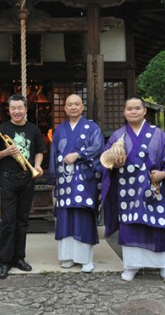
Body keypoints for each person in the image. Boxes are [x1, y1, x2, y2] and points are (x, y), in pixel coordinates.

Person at [101, 97, 165, 286]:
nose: (133, 112)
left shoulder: (158, 134)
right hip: (128, 191)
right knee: (131, 228)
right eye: (129, 109)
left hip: (154, 189)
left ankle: (164, 267)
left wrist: (164, 173)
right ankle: (131, 266)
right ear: (124, 112)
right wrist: (112, 164)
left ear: (144, 111)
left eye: (137, 108)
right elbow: (105, 161)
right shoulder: (118, 135)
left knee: (156, 227)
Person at [0, 94, 47, 279]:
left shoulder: (33, 129)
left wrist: (37, 166)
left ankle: (18, 258)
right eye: (13, 108)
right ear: (9, 109)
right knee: (8, 221)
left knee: (23, 221)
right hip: (8, 179)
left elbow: (39, 151)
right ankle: (4, 262)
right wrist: (6, 152)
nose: (16, 111)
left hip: (27, 178)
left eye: (19, 108)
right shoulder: (1, 129)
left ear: (25, 109)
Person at [48, 94, 104, 273]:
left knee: (83, 216)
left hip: (85, 180)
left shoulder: (92, 127)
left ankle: (86, 258)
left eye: (76, 104)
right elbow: (54, 154)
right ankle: (69, 256)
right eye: (69, 104)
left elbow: (98, 149)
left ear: (82, 107)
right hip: (65, 180)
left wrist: (78, 155)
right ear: (64, 108)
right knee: (66, 216)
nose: (73, 107)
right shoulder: (60, 130)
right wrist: (53, 177)